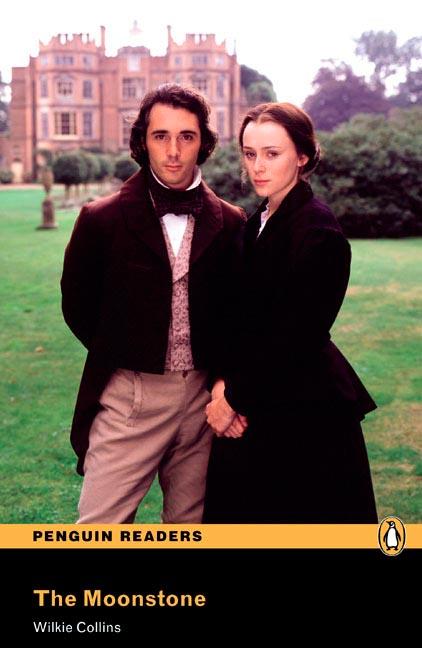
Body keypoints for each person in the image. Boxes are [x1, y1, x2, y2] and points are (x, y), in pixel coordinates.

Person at [61, 84, 245, 523]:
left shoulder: (232, 222)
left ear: (203, 143)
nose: (174, 151)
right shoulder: (100, 219)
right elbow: (78, 305)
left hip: (202, 399)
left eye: (187, 136)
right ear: (143, 141)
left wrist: (222, 380)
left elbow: (238, 314)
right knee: (99, 528)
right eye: (161, 136)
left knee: (192, 527)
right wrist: (128, 352)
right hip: (131, 395)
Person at [203, 102, 378, 523]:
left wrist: (233, 400)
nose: (258, 166)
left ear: (301, 156)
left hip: (304, 417)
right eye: (250, 153)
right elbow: (232, 319)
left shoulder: (319, 232)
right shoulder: (255, 223)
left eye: (272, 153)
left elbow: (297, 336)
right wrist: (220, 384)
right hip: (250, 405)